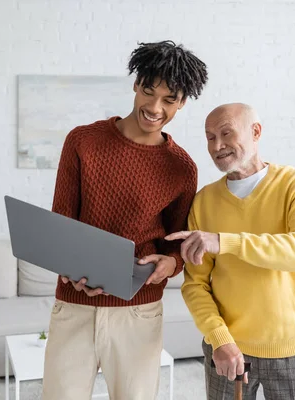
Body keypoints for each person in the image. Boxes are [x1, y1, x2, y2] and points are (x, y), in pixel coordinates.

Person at [41, 41, 208, 400]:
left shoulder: (182, 168)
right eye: (149, 92)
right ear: (136, 84)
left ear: (182, 103)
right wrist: (73, 273)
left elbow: (174, 247)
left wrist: (171, 263)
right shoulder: (82, 141)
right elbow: (61, 223)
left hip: (139, 311)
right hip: (74, 305)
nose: (154, 107)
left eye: (168, 99)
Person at [166, 103, 295, 399]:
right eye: (210, 137)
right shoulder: (204, 201)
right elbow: (195, 284)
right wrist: (220, 340)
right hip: (228, 350)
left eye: (226, 133)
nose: (217, 145)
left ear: (256, 132)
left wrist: (224, 241)